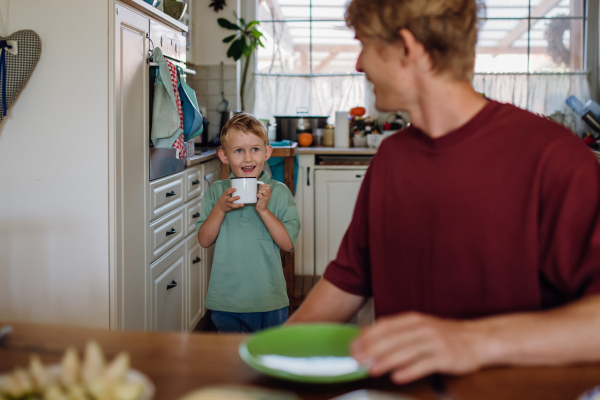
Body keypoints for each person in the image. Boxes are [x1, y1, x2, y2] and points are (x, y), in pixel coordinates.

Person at [289, 0, 600, 385]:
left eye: (364, 43)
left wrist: (471, 340)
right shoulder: (392, 157)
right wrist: (264, 359)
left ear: (407, 48)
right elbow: (347, 281)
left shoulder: (553, 158)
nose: (359, 64)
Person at [197, 113, 300, 333]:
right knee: (232, 363)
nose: (248, 158)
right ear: (224, 156)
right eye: (238, 151)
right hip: (226, 302)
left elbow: (288, 244)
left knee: (267, 363)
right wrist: (220, 209)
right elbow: (204, 241)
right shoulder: (216, 193)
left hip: (270, 302)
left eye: (255, 149)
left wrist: (263, 211)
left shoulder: (280, 193)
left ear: (267, 152)